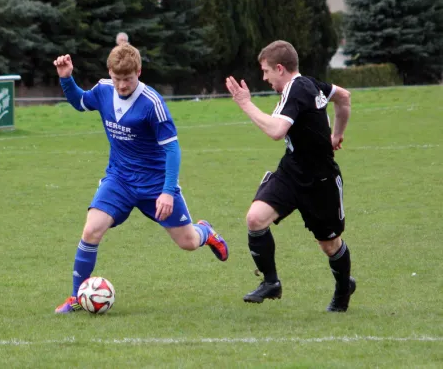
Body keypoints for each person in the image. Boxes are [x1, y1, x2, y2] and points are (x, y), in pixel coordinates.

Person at [53, 44, 229, 314]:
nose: (122, 85)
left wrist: (168, 192)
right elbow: (80, 102)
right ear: (109, 72)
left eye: (128, 79)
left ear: (139, 72)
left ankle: (206, 231)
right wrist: (67, 78)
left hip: (155, 186)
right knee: (91, 231)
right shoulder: (102, 90)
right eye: (117, 78)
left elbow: (172, 149)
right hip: (119, 180)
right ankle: (77, 297)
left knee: (188, 243)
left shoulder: (152, 103)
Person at [225, 40, 354, 312]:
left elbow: (276, 131)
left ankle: (344, 287)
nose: (264, 77)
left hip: (320, 181)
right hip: (292, 172)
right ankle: (271, 282)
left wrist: (245, 103)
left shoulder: (296, 89)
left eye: (266, 71)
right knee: (255, 219)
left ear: (280, 68)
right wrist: (337, 133)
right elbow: (343, 97)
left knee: (329, 245)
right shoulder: (311, 84)